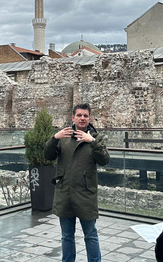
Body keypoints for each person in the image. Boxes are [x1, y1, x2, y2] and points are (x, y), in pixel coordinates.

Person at [44, 103, 110, 262]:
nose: (82, 118)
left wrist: (92, 141)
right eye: (79, 115)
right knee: (67, 236)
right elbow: (48, 155)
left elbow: (104, 160)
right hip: (65, 193)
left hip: (85, 194)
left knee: (91, 235)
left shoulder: (96, 137)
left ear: (89, 118)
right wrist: (54, 138)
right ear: (73, 117)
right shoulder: (64, 136)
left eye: (85, 115)